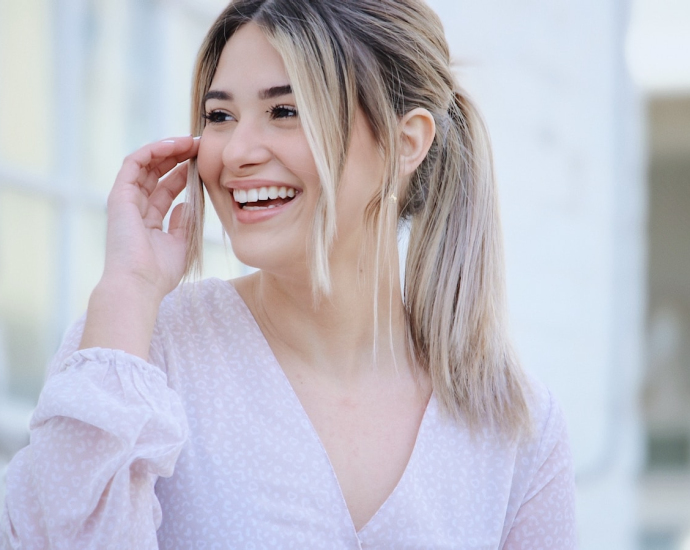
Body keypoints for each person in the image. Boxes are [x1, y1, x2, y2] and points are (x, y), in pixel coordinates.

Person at [1, 0, 576, 548]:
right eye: (220, 116)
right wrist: (127, 288)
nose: (236, 152)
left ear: (406, 143)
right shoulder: (134, 356)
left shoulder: (515, 427)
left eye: (285, 111)